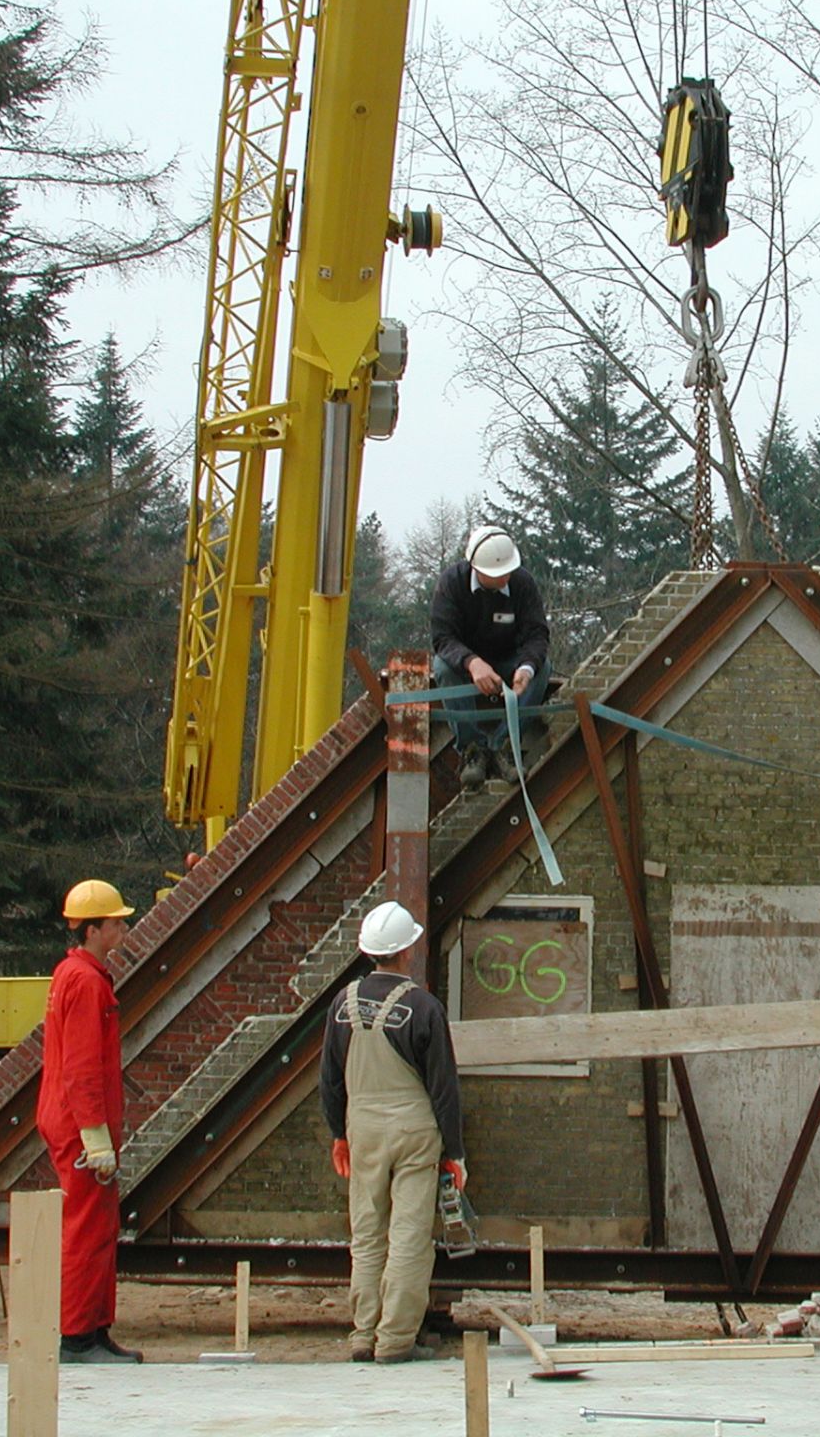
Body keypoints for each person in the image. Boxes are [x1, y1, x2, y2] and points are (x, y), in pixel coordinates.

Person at [320, 900, 467, 1363]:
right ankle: (396, 1340)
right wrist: (455, 1152)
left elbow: (329, 1079)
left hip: (362, 1128)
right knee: (409, 1236)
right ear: (407, 949)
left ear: (368, 951)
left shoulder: (341, 1005)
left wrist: (339, 1134)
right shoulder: (424, 1007)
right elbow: (443, 1086)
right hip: (415, 1129)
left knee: (366, 1234)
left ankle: (362, 1334)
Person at [37, 879, 142, 1364]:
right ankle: (78, 1336)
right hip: (81, 1127)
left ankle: (93, 1330)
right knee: (85, 1228)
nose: (123, 927)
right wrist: (95, 1136)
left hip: (73, 1121)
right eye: (116, 921)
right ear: (94, 929)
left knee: (97, 1227)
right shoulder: (85, 981)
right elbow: (82, 1067)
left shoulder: (74, 975)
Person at [428, 524, 551, 791]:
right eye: (497, 574)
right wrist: (472, 662)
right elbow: (442, 638)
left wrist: (527, 667)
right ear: (475, 567)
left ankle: (504, 747)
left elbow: (537, 634)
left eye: (507, 571)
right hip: (465, 664)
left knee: (543, 668)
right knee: (443, 668)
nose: (504, 578)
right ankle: (473, 751)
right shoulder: (451, 584)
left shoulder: (522, 584)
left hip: (510, 661)